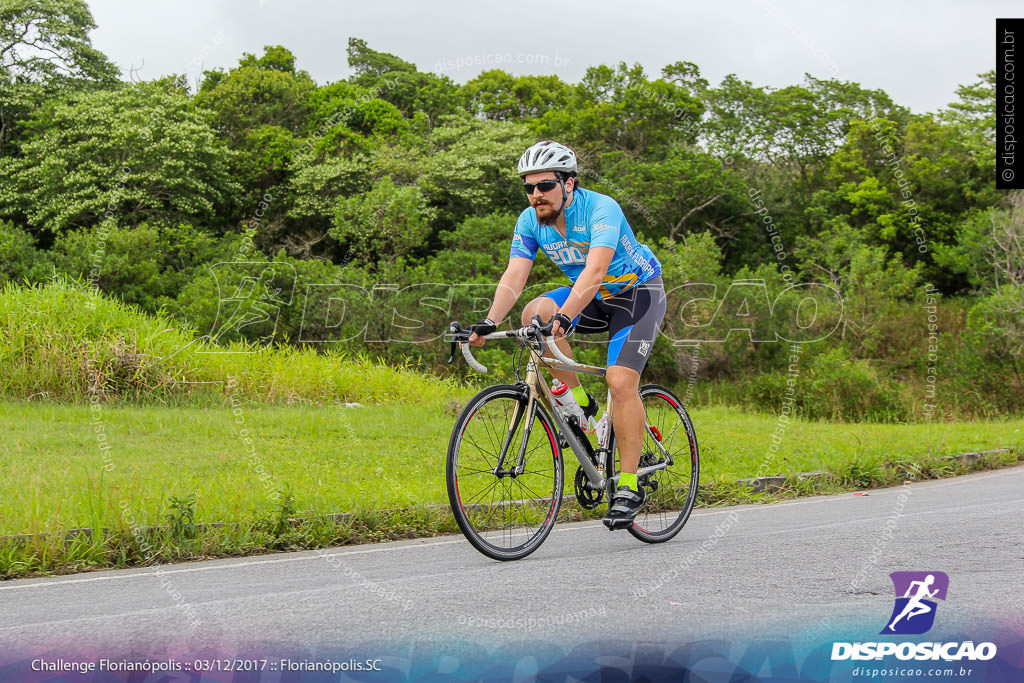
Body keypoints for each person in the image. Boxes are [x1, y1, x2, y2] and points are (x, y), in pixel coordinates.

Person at [467, 140, 667, 529]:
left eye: (544, 186)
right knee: (534, 314)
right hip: (590, 297)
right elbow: (514, 276)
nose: (536, 195)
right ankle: (581, 405)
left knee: (620, 379)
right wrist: (489, 322)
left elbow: (594, 273)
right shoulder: (530, 220)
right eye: (529, 187)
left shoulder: (601, 208)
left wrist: (565, 317)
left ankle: (628, 486)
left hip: (637, 294)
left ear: (569, 183)